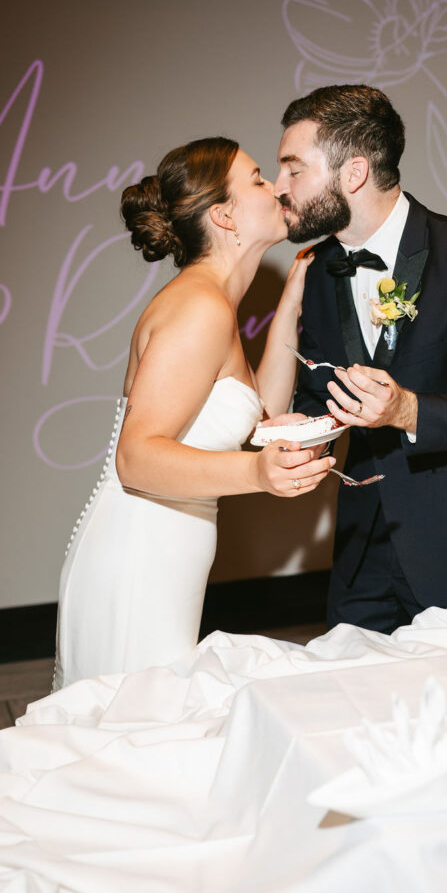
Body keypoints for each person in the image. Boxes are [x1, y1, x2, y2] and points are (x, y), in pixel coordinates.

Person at [53, 136, 334, 689]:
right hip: (138, 561)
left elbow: (262, 414)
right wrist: (258, 473)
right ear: (224, 214)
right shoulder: (199, 307)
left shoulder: (212, 303)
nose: (276, 186)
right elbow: (136, 459)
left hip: (163, 555)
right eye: (257, 178)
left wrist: (291, 304)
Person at [274, 85, 447, 634]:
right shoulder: (322, 272)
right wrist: (305, 428)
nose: (280, 188)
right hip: (360, 550)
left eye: (293, 170)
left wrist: (408, 412)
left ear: (353, 173)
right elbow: (320, 389)